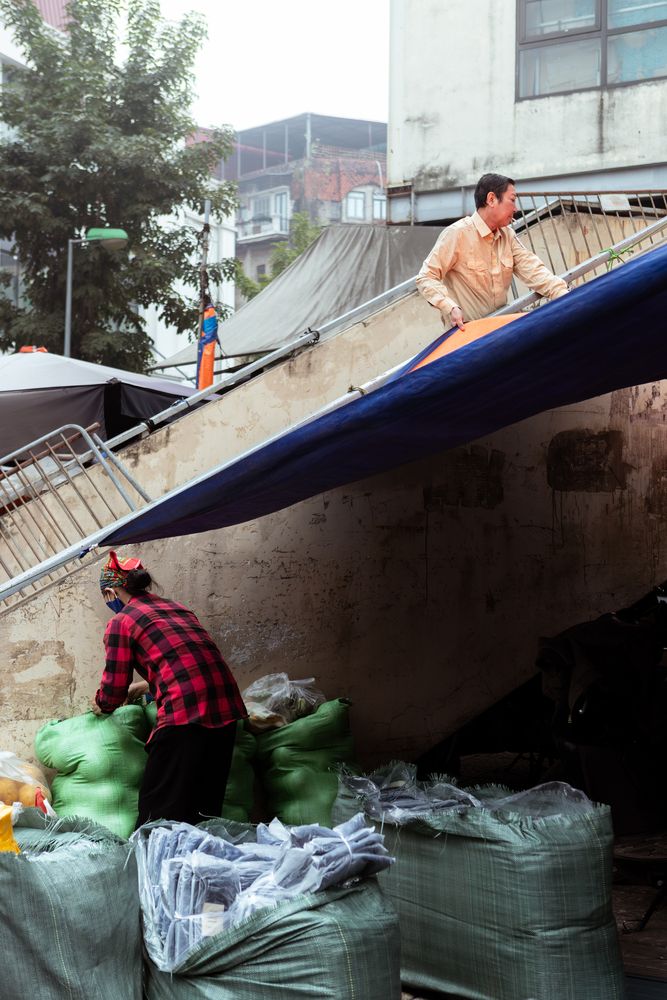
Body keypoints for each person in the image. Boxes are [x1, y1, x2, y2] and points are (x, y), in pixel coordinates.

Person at [93, 550, 247, 828]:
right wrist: (146, 686)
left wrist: (102, 704)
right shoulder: (178, 608)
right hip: (226, 711)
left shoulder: (121, 622)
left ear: (111, 591)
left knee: (157, 815)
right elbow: (188, 662)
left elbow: (114, 689)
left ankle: (155, 856)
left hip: (185, 715)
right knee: (203, 811)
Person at [416, 173, 568, 331]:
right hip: (467, 337)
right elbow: (426, 277)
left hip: (500, 332)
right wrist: (450, 307)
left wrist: (563, 294)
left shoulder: (508, 235)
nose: (515, 208)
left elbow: (533, 269)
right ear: (491, 199)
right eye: (512, 200)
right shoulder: (457, 234)